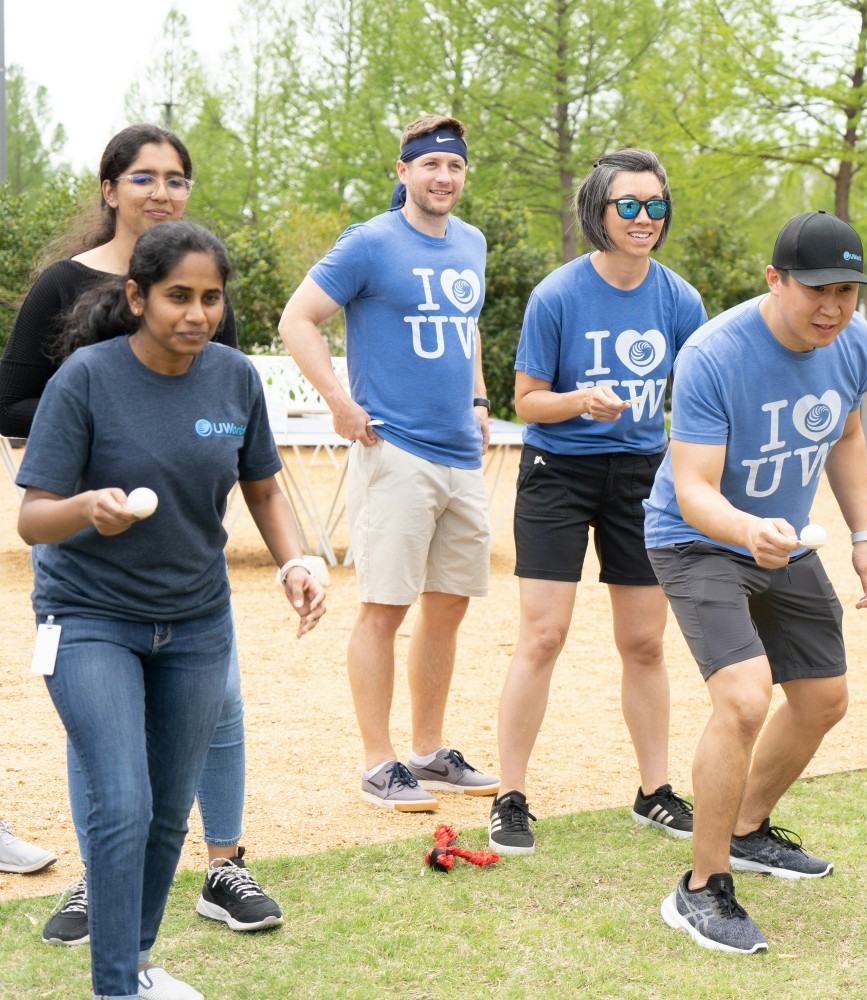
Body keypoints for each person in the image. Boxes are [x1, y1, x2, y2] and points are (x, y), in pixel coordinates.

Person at [15, 221, 325, 1000]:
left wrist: (294, 559)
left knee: (165, 816)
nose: (196, 313)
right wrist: (88, 506)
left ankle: (137, 963)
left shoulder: (233, 378)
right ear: (137, 297)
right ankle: (117, 987)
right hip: (87, 617)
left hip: (195, 623)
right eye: (178, 296)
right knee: (122, 801)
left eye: (210, 298)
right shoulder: (85, 379)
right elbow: (33, 517)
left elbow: (260, 485)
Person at [0, 124, 282, 945]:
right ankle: (102, 879)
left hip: (186, 564)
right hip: (85, 541)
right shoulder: (65, 286)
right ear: (109, 188)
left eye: (176, 177)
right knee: (105, 721)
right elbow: (10, 401)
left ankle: (224, 865)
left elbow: (227, 412)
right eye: (144, 176)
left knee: (218, 701)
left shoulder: (197, 283)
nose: (161, 190)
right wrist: (93, 411)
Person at [648, 211, 867, 953]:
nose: (834, 307)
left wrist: (863, 532)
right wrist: (749, 531)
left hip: (782, 539)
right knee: (746, 696)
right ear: (775, 279)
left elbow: (848, 437)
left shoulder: (851, 342)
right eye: (818, 289)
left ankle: (747, 829)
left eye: (848, 290)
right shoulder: (714, 355)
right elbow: (693, 489)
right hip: (699, 540)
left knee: (824, 698)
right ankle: (700, 887)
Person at [280, 114, 500, 813]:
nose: (443, 178)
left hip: (462, 454)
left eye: (455, 167)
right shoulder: (370, 243)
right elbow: (297, 318)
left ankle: (428, 754)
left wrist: (480, 398)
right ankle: (380, 764)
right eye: (429, 165)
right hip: (394, 448)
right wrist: (340, 401)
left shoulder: (471, 243)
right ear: (403, 172)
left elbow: (465, 329)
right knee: (384, 608)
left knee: (447, 610)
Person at [490, 149, 705, 854]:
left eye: (656, 205)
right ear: (599, 213)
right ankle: (510, 795)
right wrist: (578, 402)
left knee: (644, 642)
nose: (645, 219)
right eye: (629, 206)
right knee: (543, 636)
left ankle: (654, 792)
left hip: (642, 475)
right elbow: (524, 401)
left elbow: (698, 399)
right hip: (559, 471)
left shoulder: (679, 299)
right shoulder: (557, 295)